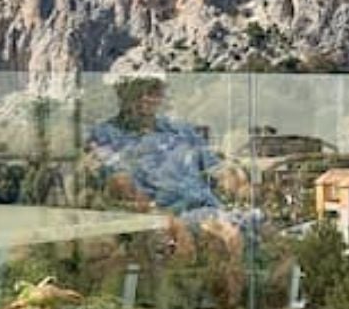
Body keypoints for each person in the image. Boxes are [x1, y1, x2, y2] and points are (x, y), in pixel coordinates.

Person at [85, 75, 252, 256]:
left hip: (212, 207)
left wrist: (237, 178)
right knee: (227, 237)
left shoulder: (180, 129)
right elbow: (117, 182)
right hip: (166, 218)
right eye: (138, 91)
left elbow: (216, 168)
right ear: (122, 94)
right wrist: (156, 214)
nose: (146, 98)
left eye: (154, 91)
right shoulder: (105, 134)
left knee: (266, 231)